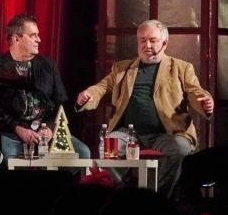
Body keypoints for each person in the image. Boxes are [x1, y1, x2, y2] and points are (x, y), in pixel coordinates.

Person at [75, 19, 214, 197]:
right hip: (128, 134)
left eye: (152, 40)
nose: (147, 45)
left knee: (179, 148)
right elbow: (101, 88)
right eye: (142, 40)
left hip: (167, 133)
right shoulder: (122, 69)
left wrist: (205, 102)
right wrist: (88, 95)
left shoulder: (181, 68)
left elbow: (196, 93)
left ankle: (157, 198)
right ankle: (121, 196)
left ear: (164, 43)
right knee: (108, 148)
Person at [0, 13, 90, 167]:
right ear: (16, 38)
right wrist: (17, 128)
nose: (39, 40)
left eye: (38, 35)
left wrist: (50, 128)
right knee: (11, 160)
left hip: (45, 134)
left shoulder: (48, 66)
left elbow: (60, 103)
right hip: (12, 133)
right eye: (33, 35)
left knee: (82, 153)